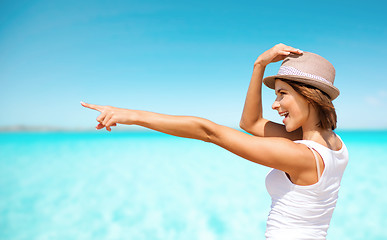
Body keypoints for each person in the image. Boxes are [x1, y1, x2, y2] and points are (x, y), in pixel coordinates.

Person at [81, 43, 348, 239]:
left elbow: (208, 131)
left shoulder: (300, 155)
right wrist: (259, 66)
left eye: (282, 94)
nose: (276, 105)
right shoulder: (335, 146)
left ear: (309, 96)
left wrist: (131, 115)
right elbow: (251, 124)